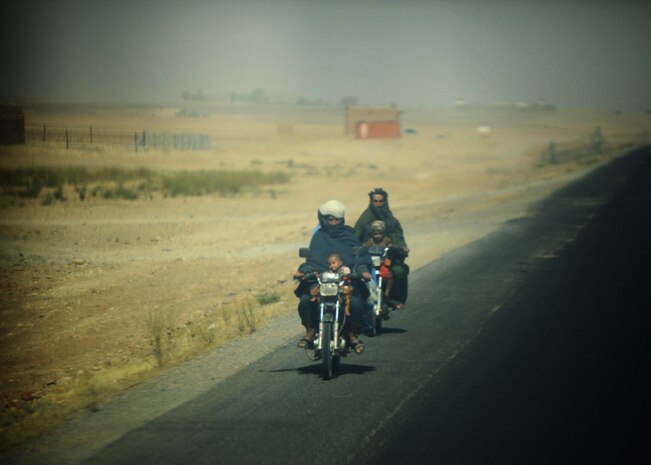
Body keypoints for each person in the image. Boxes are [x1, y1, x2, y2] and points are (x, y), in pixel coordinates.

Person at [294, 200, 372, 354]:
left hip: (345, 279)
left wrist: (362, 272)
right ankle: (310, 331)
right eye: (330, 219)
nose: (334, 223)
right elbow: (312, 260)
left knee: (355, 304)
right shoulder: (319, 237)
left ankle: (351, 333)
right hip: (322, 279)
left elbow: (360, 258)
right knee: (305, 301)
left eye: (337, 219)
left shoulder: (349, 235)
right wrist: (303, 271)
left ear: (342, 219)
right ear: (324, 219)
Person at [354, 188, 409, 307]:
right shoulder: (364, 220)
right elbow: (355, 239)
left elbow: (398, 237)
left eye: (381, 201)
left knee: (398, 272)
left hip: (388, 257)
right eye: (375, 201)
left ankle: (393, 299)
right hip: (368, 257)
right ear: (370, 202)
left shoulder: (391, 220)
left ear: (385, 202)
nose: (378, 204)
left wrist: (400, 248)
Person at [362, 220, 394, 303]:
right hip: (372, 264)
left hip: (382, 263)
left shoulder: (386, 240)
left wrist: (390, 246)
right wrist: (363, 247)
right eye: (375, 234)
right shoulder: (370, 241)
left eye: (380, 234)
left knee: (389, 275)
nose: (378, 236)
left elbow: (390, 244)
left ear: (384, 233)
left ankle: (387, 293)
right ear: (372, 234)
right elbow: (365, 246)